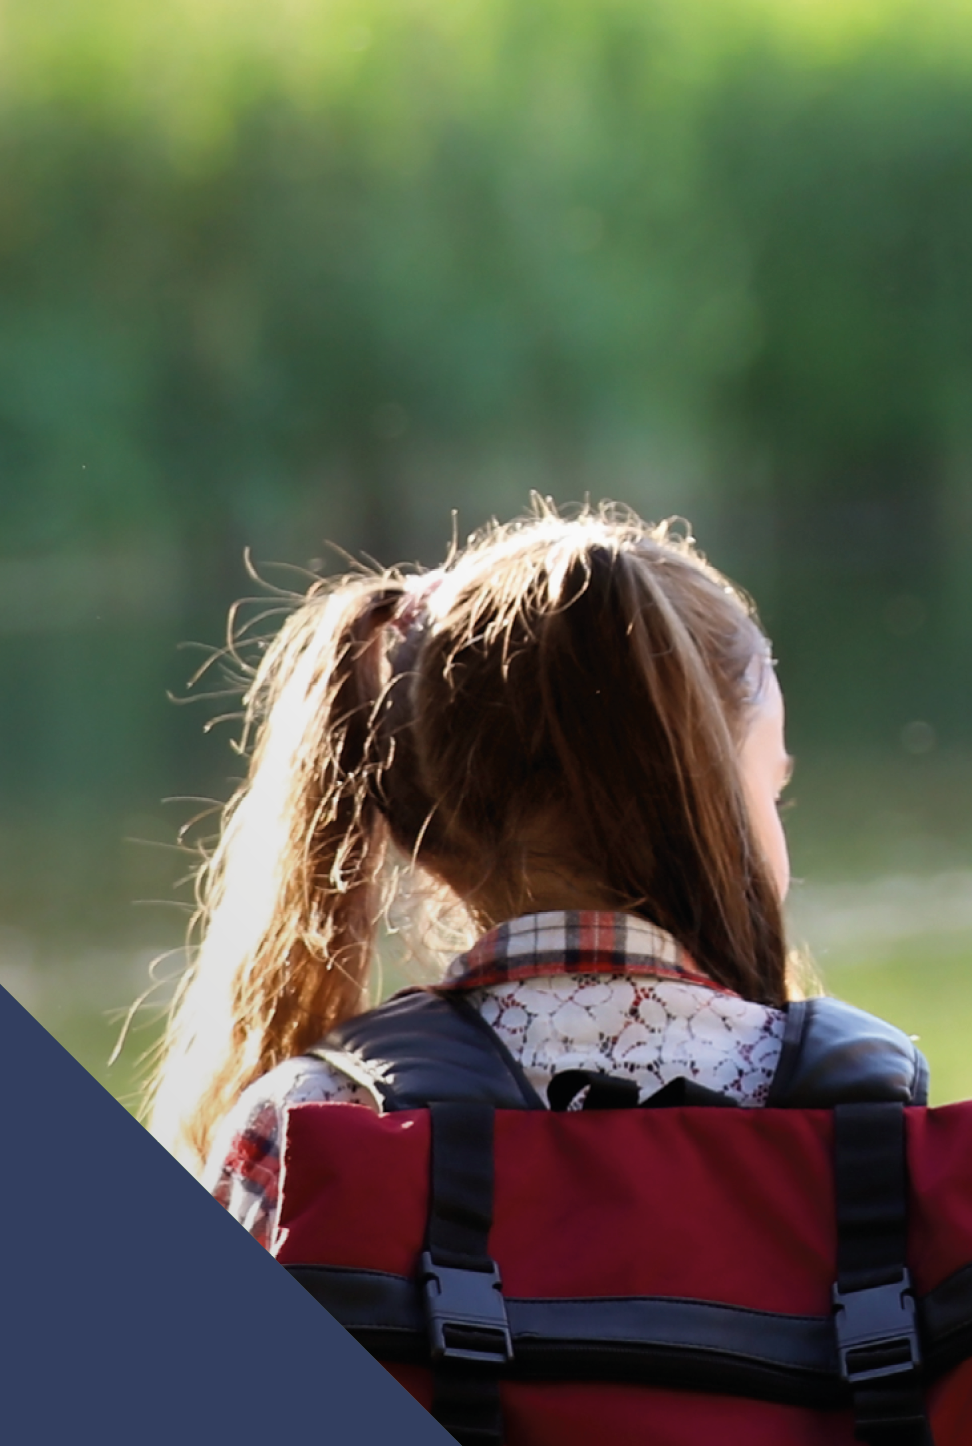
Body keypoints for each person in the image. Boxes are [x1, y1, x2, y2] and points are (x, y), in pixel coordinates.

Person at [150, 503, 812, 1234]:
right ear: (711, 808)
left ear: (420, 833)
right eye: (772, 790)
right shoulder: (846, 1103)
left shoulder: (315, 1119)